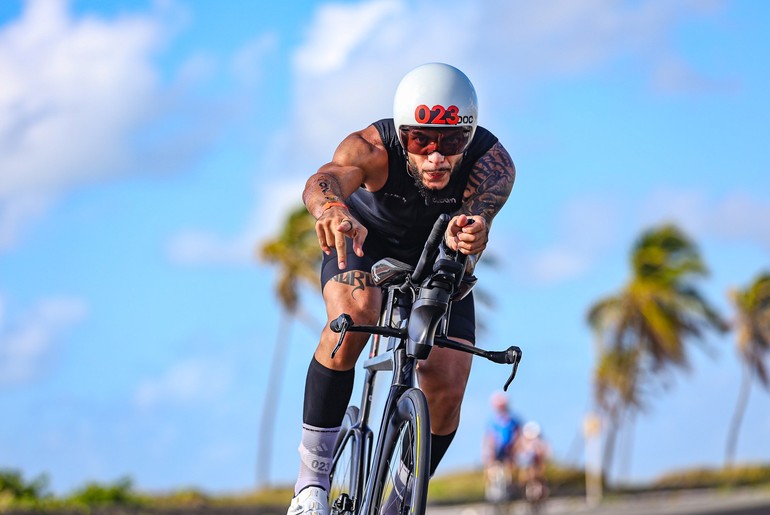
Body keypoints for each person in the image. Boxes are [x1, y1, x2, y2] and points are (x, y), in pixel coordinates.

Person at [287, 62, 516, 515]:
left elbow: (476, 226)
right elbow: (323, 180)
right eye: (421, 141)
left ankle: (399, 502)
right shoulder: (371, 149)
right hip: (361, 241)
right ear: (402, 134)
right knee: (353, 317)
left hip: (439, 255)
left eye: (452, 142)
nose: (436, 156)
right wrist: (332, 207)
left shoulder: (493, 164)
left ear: (468, 136)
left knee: (447, 385)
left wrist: (472, 232)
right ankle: (311, 485)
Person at [481, 392, 521, 503]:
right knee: (492, 472)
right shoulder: (493, 421)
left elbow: (518, 435)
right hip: (495, 452)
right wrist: (487, 453)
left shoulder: (513, 420)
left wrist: (515, 449)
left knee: (510, 473)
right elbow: (488, 437)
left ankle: (513, 491)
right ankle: (490, 494)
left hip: (509, 451)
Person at [513, 421, 550, 502]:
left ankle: (541, 492)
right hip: (525, 465)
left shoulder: (539, 442)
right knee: (524, 476)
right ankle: (522, 493)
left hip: (535, 465)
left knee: (537, 474)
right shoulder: (521, 441)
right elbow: (516, 452)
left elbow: (544, 453)